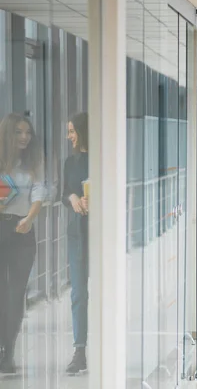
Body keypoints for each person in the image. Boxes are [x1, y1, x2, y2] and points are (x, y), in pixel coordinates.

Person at [0, 113, 46, 374]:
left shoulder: (33, 160)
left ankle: (9, 352)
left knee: (16, 294)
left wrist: (30, 217)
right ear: (8, 133)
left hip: (23, 229)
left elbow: (40, 189)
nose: (24, 137)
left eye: (27, 132)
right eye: (18, 132)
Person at [61, 112, 89, 374]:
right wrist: (72, 198)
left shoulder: (100, 160)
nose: (69, 136)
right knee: (78, 292)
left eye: (72, 131)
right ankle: (79, 350)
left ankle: (105, 345)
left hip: (99, 234)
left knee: (101, 292)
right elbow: (64, 192)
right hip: (76, 234)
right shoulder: (70, 162)